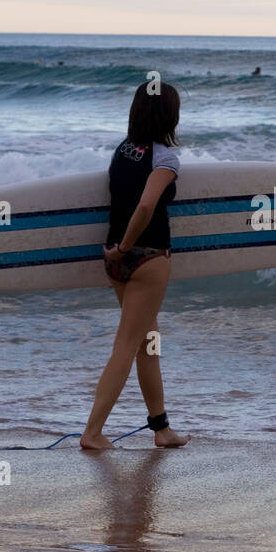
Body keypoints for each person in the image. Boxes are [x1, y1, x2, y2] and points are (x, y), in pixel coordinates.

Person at [81, 81, 191, 450]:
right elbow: (145, 206)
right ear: (169, 117)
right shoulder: (166, 159)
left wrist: (117, 250)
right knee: (127, 346)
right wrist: (128, 245)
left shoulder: (122, 151)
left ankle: (161, 428)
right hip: (147, 259)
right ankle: (92, 433)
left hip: (116, 261)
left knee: (149, 343)